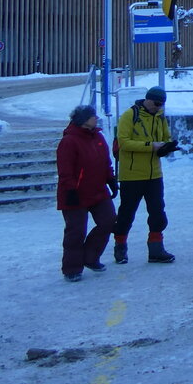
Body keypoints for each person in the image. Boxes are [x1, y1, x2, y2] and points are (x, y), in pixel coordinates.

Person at [113, 86, 179, 264]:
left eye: (162, 104)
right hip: (132, 175)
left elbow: (165, 137)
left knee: (158, 212)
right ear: (147, 99)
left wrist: (167, 146)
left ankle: (156, 250)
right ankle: (120, 247)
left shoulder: (160, 117)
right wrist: (151, 146)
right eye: (156, 103)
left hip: (154, 175)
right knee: (127, 213)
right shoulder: (130, 115)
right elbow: (124, 143)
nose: (159, 107)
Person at [56, 105, 118, 282]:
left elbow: (105, 162)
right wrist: (70, 191)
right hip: (74, 194)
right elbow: (65, 170)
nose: (96, 118)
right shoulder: (69, 141)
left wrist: (111, 180)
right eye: (92, 116)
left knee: (108, 221)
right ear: (83, 120)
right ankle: (72, 268)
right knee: (76, 232)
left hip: (98, 190)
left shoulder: (97, 137)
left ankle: (90, 258)